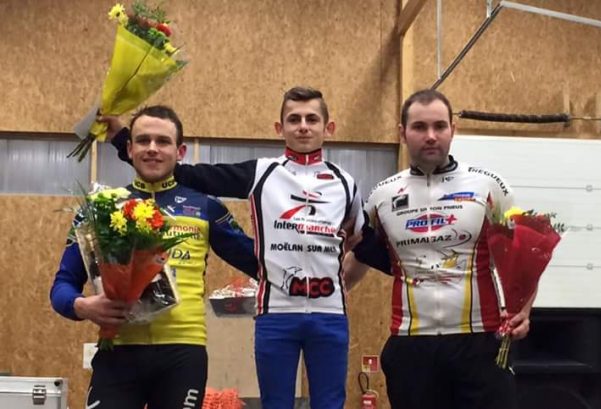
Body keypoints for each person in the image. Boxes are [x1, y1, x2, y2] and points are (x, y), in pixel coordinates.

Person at [110, 87, 365, 409]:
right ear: (279, 128)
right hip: (276, 314)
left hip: (330, 314)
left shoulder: (346, 182)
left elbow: (358, 238)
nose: (303, 126)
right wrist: (122, 140)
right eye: (294, 119)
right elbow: (182, 171)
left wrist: (346, 285)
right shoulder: (261, 173)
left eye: (312, 119)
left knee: (330, 403)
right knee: (276, 404)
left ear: (328, 128)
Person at [50, 105, 258, 409]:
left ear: (180, 151)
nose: (152, 149)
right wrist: (82, 306)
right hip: (118, 352)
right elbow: (62, 285)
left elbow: (259, 263)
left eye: (162, 141)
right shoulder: (100, 208)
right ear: (129, 148)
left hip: (183, 353)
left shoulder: (205, 207)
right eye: (143, 140)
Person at [344, 89, 532, 409]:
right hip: (411, 346)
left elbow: (524, 256)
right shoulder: (382, 195)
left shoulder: (489, 186)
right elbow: (359, 254)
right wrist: (329, 297)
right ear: (402, 133)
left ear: (452, 130)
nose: (431, 136)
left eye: (439, 126)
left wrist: (524, 310)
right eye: (419, 127)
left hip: (480, 342)